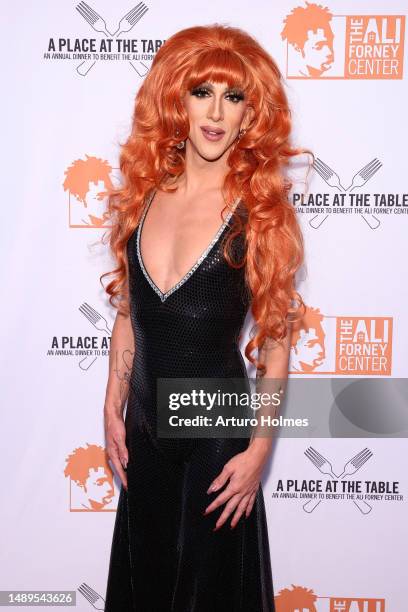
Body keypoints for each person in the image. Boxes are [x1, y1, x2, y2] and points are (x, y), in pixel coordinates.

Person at [100, 23, 309, 612]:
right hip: (143, 426)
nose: (216, 112)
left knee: (208, 594)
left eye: (234, 96)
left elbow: (274, 344)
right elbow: (128, 312)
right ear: (176, 101)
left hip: (216, 434)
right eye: (202, 92)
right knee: (147, 584)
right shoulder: (143, 196)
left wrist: (259, 451)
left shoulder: (260, 215)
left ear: (251, 114)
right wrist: (112, 406)